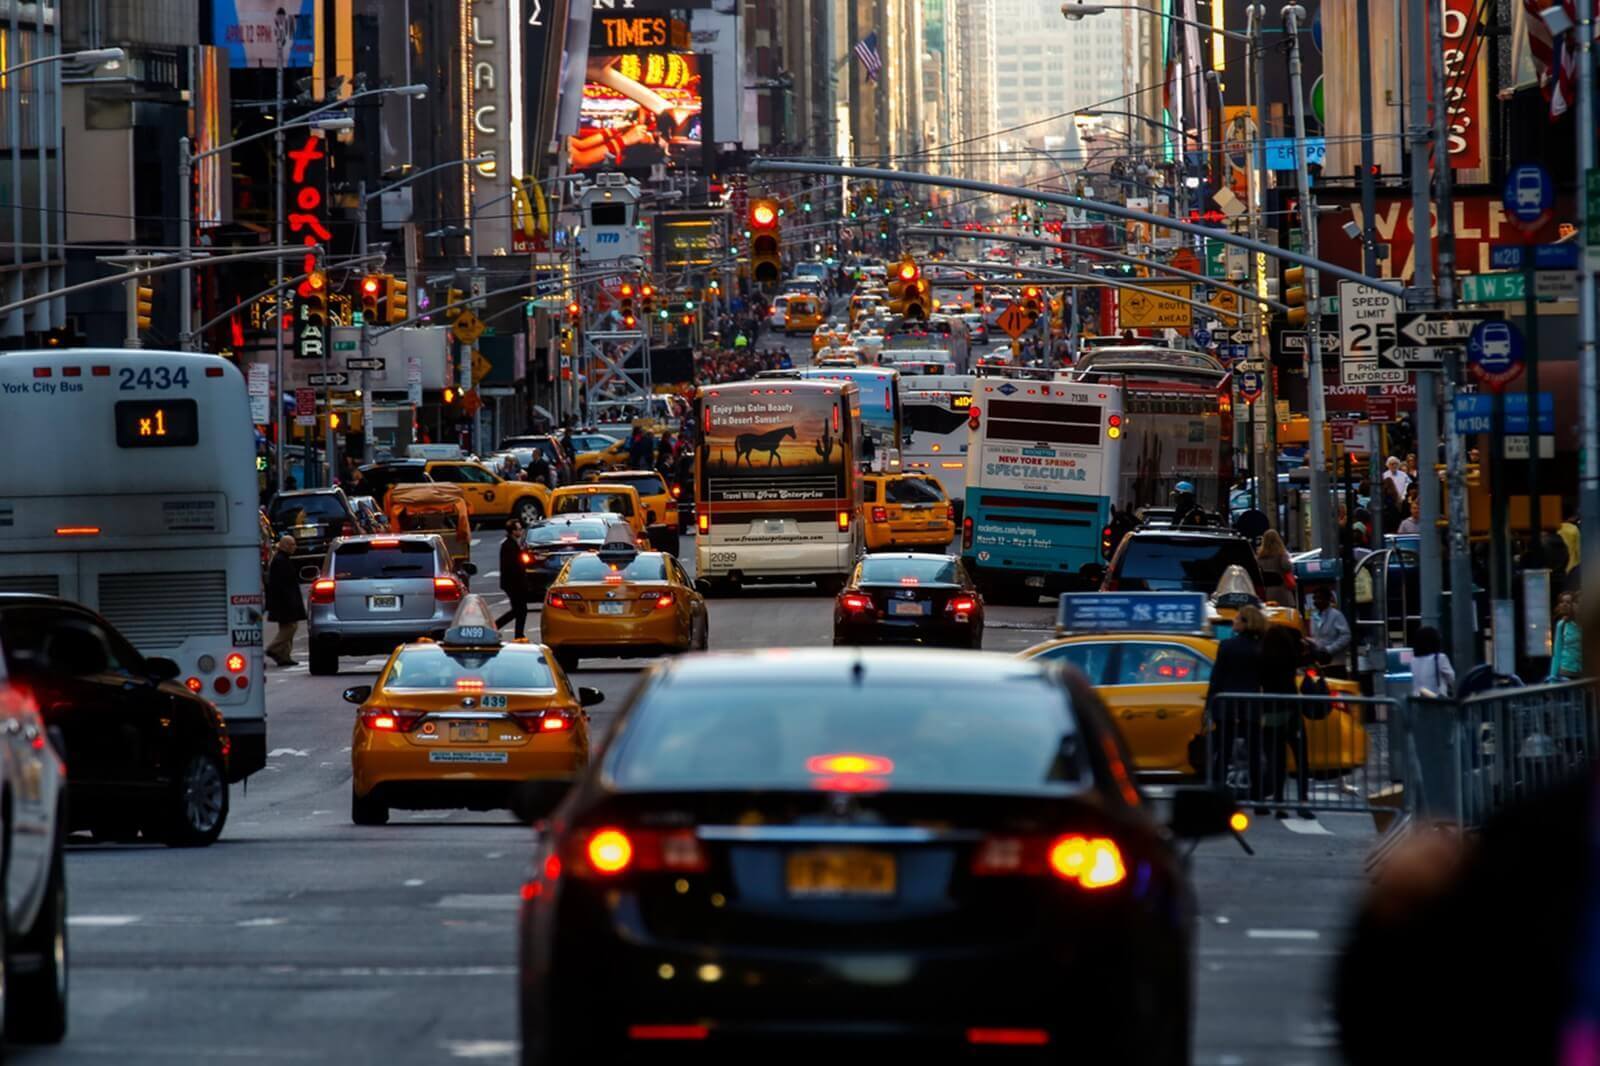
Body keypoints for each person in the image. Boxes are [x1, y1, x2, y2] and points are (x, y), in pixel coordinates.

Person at [1203, 604, 1268, 787]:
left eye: (1238, 618)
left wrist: (1210, 704)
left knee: (1223, 750)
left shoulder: (1227, 646)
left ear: (1245, 623)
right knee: (1254, 751)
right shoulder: (1261, 648)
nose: (1234, 621)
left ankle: (1218, 791)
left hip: (1227, 705)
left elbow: (1217, 677)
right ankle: (1258, 796)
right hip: (1252, 705)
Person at [1258, 622, 1311, 817]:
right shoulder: (1291, 657)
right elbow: (1311, 653)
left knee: (1277, 761)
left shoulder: (1262, 658)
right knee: (1300, 759)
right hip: (1291, 709)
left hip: (1270, 712)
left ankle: (1279, 802)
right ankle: (1303, 801)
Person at [265, 536, 305, 667]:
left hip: (284, 601)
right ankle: (273, 648)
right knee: (290, 627)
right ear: (285, 545)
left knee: (287, 627)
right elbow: (282, 585)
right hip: (284, 602)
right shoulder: (280, 561)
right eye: (292, 544)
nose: (295, 547)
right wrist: (290, 601)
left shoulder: (282, 559)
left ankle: (284, 656)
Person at [495, 519, 530, 639]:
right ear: (513, 531)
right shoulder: (508, 545)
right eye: (519, 529)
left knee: (518, 610)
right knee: (520, 610)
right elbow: (511, 567)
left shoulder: (513, 543)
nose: (521, 531)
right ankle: (498, 628)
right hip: (514, 584)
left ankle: (517, 633)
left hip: (514, 584)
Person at [1308, 586, 1352, 676]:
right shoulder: (1314, 616)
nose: (1317, 601)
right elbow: (1316, 637)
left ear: (1327, 600)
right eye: (1315, 599)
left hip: (1335, 664)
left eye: (1320, 598)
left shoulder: (1336, 615)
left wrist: (1329, 649)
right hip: (1319, 664)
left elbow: (1346, 636)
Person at [1256, 529, 1298, 610]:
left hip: (1268, 592)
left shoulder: (1260, 556)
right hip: (1282, 590)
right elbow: (1287, 567)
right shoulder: (1281, 553)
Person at [1410, 625, 1455, 697]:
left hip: (1417, 700)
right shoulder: (1440, 658)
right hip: (1435, 700)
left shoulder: (1413, 660)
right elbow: (1452, 679)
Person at [1551, 592, 1583, 680]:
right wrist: (1553, 677)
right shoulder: (1562, 624)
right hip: (1567, 672)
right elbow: (1557, 653)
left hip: (1585, 673)